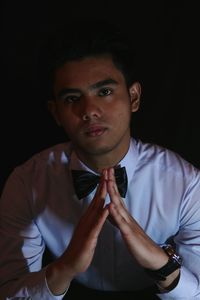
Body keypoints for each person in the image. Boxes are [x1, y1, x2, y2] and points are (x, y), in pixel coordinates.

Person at [0, 18, 200, 300]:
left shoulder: (187, 185)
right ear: (56, 112)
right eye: (72, 98)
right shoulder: (25, 184)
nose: (89, 110)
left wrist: (161, 263)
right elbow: (10, 291)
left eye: (104, 92)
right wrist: (66, 267)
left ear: (133, 97)